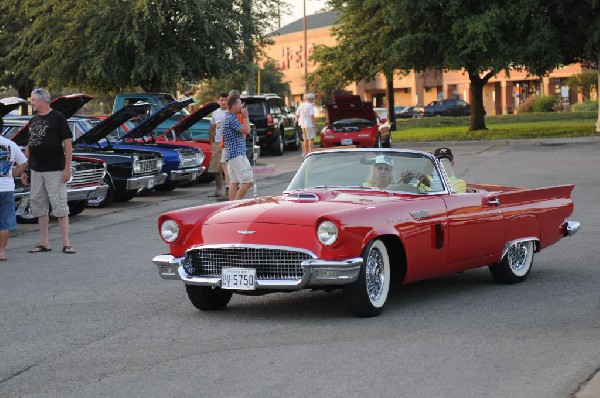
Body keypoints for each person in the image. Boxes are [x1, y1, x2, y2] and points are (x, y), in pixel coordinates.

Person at [20, 88, 76, 254]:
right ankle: (44, 243)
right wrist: (25, 169)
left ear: (43, 100)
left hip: (55, 170)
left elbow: (68, 145)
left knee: (59, 205)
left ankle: (66, 243)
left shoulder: (58, 117)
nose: (32, 103)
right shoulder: (33, 120)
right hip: (36, 170)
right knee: (39, 206)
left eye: (33, 100)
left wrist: (67, 169)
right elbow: (29, 146)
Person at [0, 118, 28, 261]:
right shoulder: (11, 144)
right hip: (6, 187)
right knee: (4, 222)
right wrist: (13, 174)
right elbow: (24, 163)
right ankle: (1, 252)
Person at [222, 96, 253, 200]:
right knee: (248, 181)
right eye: (239, 104)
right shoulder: (230, 118)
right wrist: (245, 116)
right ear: (234, 105)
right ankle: (236, 204)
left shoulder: (229, 117)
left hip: (231, 155)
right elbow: (247, 130)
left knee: (234, 183)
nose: (241, 106)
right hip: (237, 155)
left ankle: (230, 206)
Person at [208, 93, 229, 200]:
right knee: (217, 168)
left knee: (227, 168)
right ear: (218, 101)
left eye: (226, 100)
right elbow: (212, 129)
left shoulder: (231, 113)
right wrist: (212, 142)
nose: (224, 102)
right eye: (222, 100)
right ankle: (218, 190)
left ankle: (229, 190)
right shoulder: (215, 113)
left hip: (228, 144)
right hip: (217, 143)